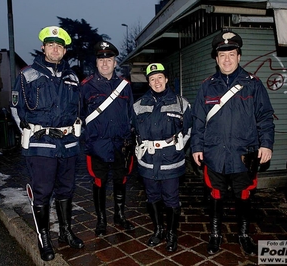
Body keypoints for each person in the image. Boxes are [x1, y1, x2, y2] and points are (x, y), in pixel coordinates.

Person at [191, 30, 275, 256]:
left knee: (244, 195)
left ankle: (244, 235)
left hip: (244, 154)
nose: (227, 59)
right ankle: (216, 235)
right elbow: (198, 120)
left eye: (231, 54)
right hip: (215, 153)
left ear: (239, 56)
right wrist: (196, 147)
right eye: (222, 55)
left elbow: (265, 117)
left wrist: (266, 144)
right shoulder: (206, 86)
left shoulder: (253, 85)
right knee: (215, 195)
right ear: (216, 58)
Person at [10, 26, 84, 261]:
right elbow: (15, 108)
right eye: (51, 45)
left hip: (68, 144)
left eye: (60, 46)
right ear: (43, 48)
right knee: (42, 193)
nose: (55, 49)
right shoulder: (27, 75)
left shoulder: (72, 77)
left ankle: (65, 232)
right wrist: (27, 133)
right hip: (41, 145)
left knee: (66, 190)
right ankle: (44, 237)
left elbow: (79, 110)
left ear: (64, 51)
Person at [133, 63, 192, 252]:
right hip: (148, 161)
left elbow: (189, 130)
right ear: (148, 83)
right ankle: (158, 230)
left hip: (171, 161)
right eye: (152, 79)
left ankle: (172, 234)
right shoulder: (138, 105)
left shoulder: (182, 104)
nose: (156, 82)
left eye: (160, 77)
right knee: (152, 197)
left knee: (171, 199)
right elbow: (133, 130)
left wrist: (179, 146)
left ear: (166, 79)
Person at [81, 40, 135, 236]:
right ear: (96, 63)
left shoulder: (125, 86)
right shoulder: (86, 86)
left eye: (109, 60)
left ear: (115, 63)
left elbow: (131, 115)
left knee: (120, 181)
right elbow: (79, 115)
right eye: (101, 60)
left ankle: (119, 216)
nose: (105, 64)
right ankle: (101, 220)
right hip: (98, 145)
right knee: (99, 182)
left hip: (121, 144)